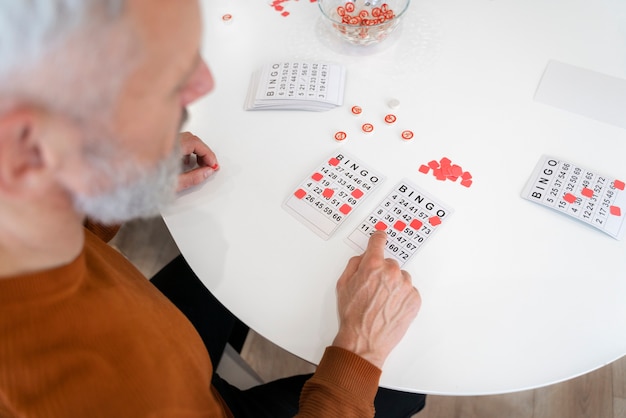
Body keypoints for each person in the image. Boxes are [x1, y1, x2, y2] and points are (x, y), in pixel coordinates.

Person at [0, 1, 426, 416]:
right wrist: (359, 349)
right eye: (156, 76)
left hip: (157, 334)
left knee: (244, 251)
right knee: (406, 390)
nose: (203, 83)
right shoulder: (74, 390)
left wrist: (108, 181)